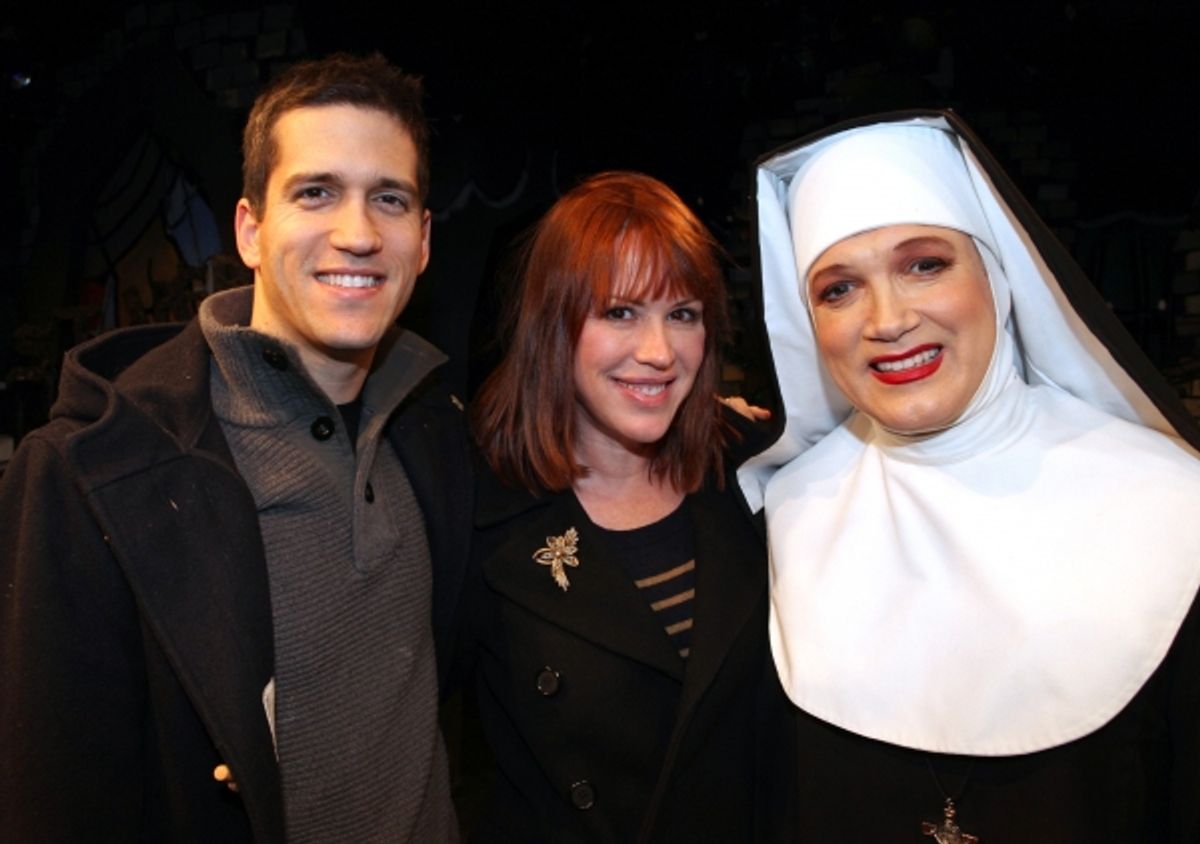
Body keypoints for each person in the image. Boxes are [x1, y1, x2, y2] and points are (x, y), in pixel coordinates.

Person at [0, 53, 470, 842]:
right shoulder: (89, 476)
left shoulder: (436, 431)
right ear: (251, 229)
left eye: (388, 199)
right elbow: (55, 797)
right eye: (316, 192)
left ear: (422, 242)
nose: (357, 235)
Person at [740, 111, 1200, 841]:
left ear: (998, 278)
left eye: (925, 264)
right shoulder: (783, 519)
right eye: (838, 289)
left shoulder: (1173, 510)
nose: (886, 319)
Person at [467, 172, 790, 842]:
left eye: (682, 314)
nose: (659, 353)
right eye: (620, 312)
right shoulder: (477, 510)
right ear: (554, 325)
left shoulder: (758, 471)